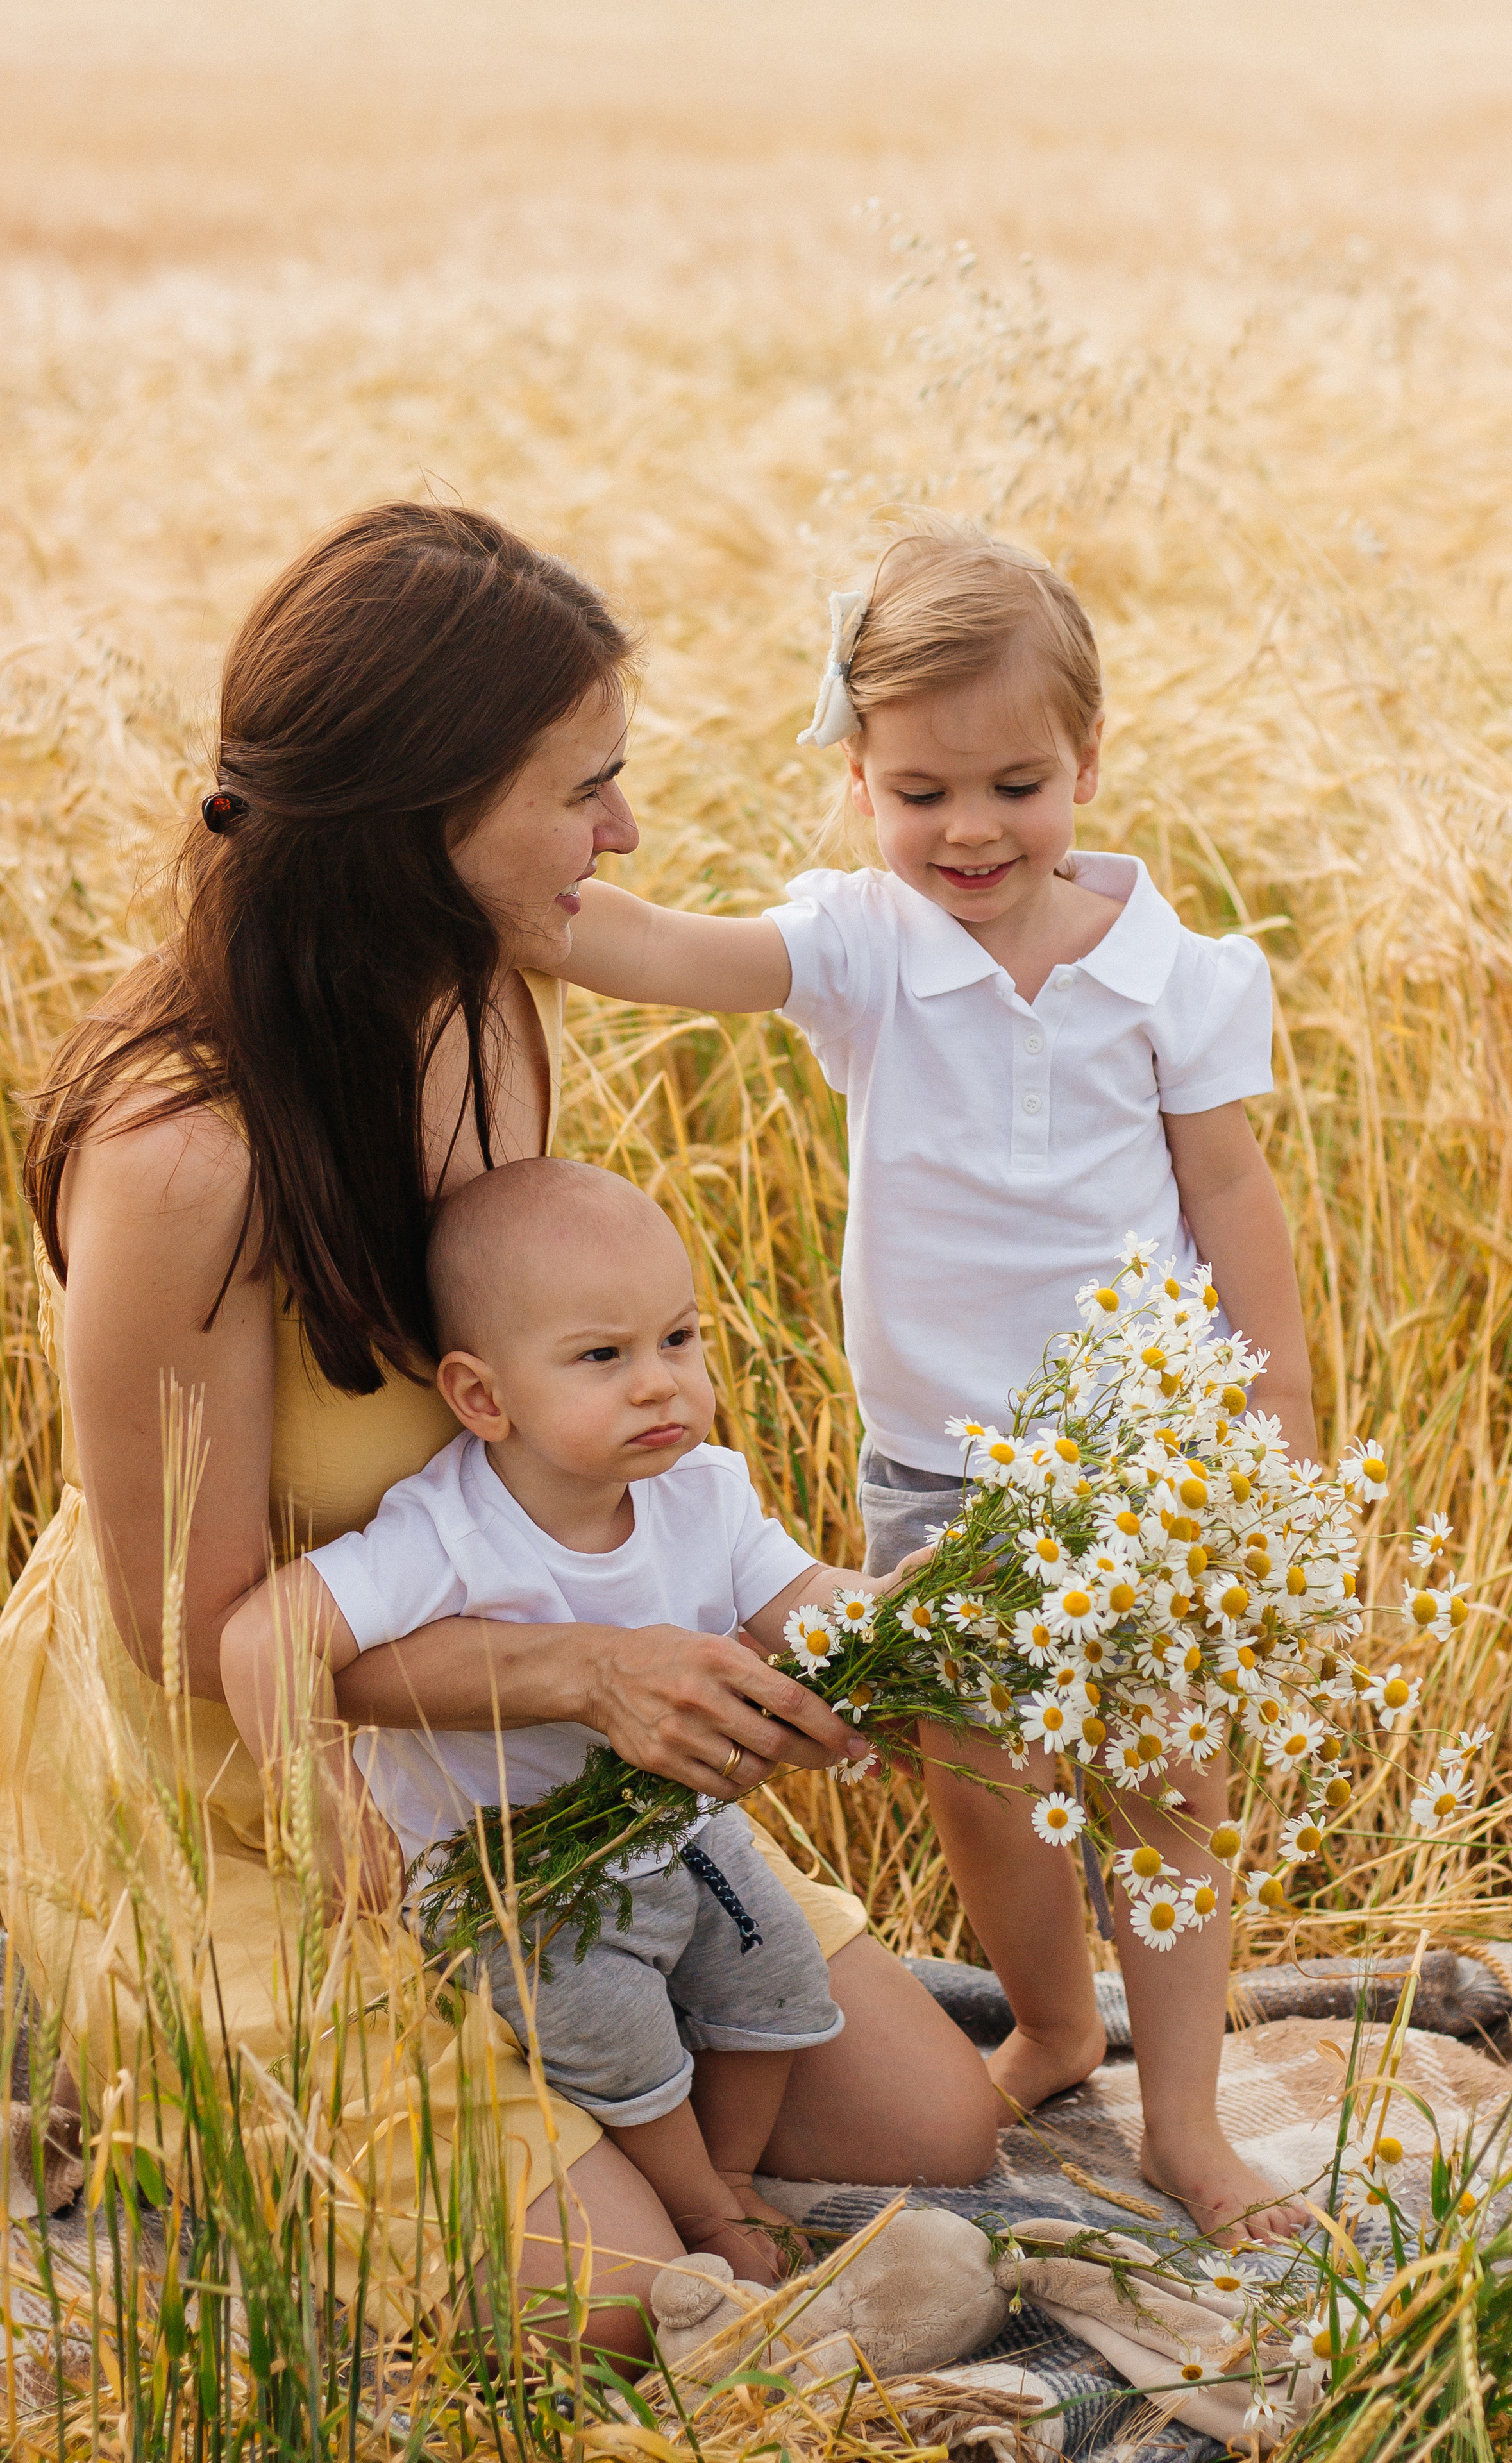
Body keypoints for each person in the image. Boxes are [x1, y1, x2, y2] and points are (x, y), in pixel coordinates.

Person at [0, 502, 1000, 2364]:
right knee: (610, 2309)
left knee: (944, 2128)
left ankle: (567, 2046)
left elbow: (549, 1426)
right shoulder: (180, 1161)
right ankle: (172, 2045)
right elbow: (182, 1644)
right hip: (243, 1766)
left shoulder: (491, 987)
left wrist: (822, 1633)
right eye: (584, 790)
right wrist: (588, 1675)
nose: (624, 834)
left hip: (496, 1700)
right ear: (414, 822)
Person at [553, 517, 1318, 2243]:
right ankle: (1050, 2025)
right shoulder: (863, 946)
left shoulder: (1166, 972)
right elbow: (665, 951)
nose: (968, 831)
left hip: (1154, 1470)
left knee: (1164, 1793)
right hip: (943, 1469)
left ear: (1090, 766)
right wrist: (479, 879)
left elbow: (1231, 1192)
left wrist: (1276, 1423)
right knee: (981, 1785)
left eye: (1015, 786)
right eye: (919, 793)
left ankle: (1184, 2121)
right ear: (856, 783)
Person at [223, 1157, 918, 2288]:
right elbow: (263, 1636)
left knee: (782, 1975)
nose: (663, 1386)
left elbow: (798, 1607)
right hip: (513, 1869)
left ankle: (725, 2174)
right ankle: (701, 2209)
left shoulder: (707, 1493)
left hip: (673, 1829)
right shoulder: (445, 1534)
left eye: (680, 1340)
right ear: (484, 1397)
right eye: (605, 1357)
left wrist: (895, 1610)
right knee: (608, 2021)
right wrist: (324, 1801)